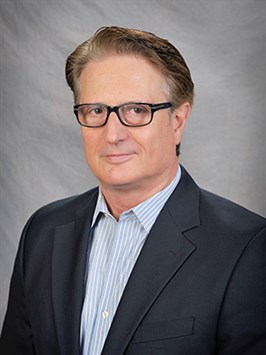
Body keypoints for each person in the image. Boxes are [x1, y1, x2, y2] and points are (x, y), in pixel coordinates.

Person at [0, 26, 265, 355]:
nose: (113, 134)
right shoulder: (43, 232)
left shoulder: (247, 247)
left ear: (177, 121)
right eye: (96, 110)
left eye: (136, 111)